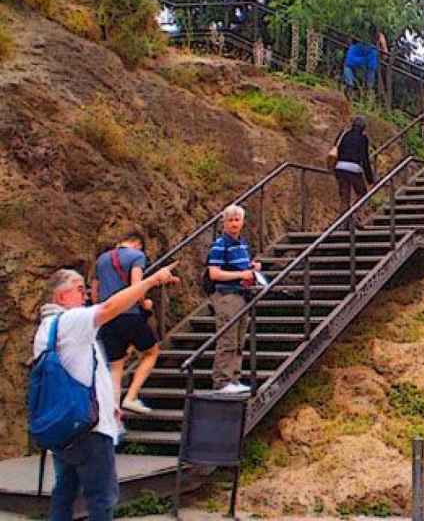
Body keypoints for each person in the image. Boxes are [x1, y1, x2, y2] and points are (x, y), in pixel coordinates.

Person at [35, 264, 179, 521]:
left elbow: (81, 369)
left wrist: (110, 405)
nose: (86, 295)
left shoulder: (47, 328)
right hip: (89, 429)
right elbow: (110, 308)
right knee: (102, 497)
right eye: (80, 290)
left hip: (65, 426)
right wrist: (151, 281)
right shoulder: (70, 321)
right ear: (61, 297)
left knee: (65, 492)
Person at [91, 231, 160, 416]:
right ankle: (131, 397)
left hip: (106, 318)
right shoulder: (137, 256)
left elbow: (95, 293)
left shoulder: (102, 259)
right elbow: (136, 286)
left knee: (115, 365)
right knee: (151, 352)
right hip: (129, 315)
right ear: (138, 244)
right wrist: (145, 303)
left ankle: (112, 411)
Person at [206, 205, 262, 395]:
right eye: (230, 220)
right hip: (227, 295)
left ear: (242, 222)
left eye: (237, 220)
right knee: (228, 339)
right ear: (224, 222)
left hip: (241, 294)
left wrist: (252, 267)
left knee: (238, 340)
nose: (234, 224)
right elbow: (214, 273)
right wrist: (240, 274)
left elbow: (242, 268)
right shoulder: (220, 244)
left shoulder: (243, 244)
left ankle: (234, 377)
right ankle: (222, 380)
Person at [333, 115, 376, 224]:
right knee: (362, 193)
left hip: (340, 167)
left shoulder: (345, 135)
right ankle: (355, 216)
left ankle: (342, 222)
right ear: (363, 127)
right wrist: (370, 178)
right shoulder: (363, 138)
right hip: (353, 169)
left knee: (344, 197)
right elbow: (365, 159)